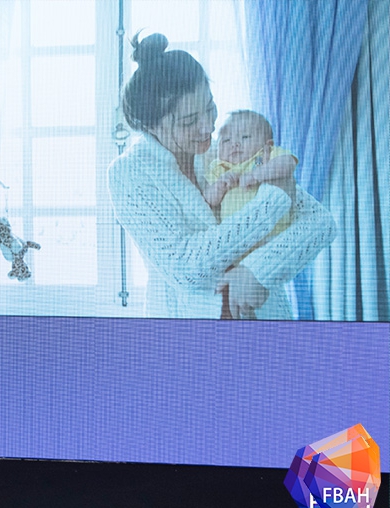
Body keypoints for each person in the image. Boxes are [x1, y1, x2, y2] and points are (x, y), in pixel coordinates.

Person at [107, 32, 335, 320]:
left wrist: (257, 271)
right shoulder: (129, 174)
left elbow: (321, 223)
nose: (208, 128)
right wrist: (275, 199)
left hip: (267, 319)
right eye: (190, 121)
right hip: (188, 334)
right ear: (151, 126)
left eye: (210, 108)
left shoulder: (228, 151)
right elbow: (186, 268)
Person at [203, 110, 298, 318]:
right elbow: (209, 200)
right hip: (238, 246)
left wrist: (258, 174)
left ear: (267, 144)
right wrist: (220, 185)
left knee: (265, 292)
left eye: (245, 137)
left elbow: (288, 164)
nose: (235, 144)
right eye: (226, 140)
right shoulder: (220, 168)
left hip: (272, 238)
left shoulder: (264, 157)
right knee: (243, 298)